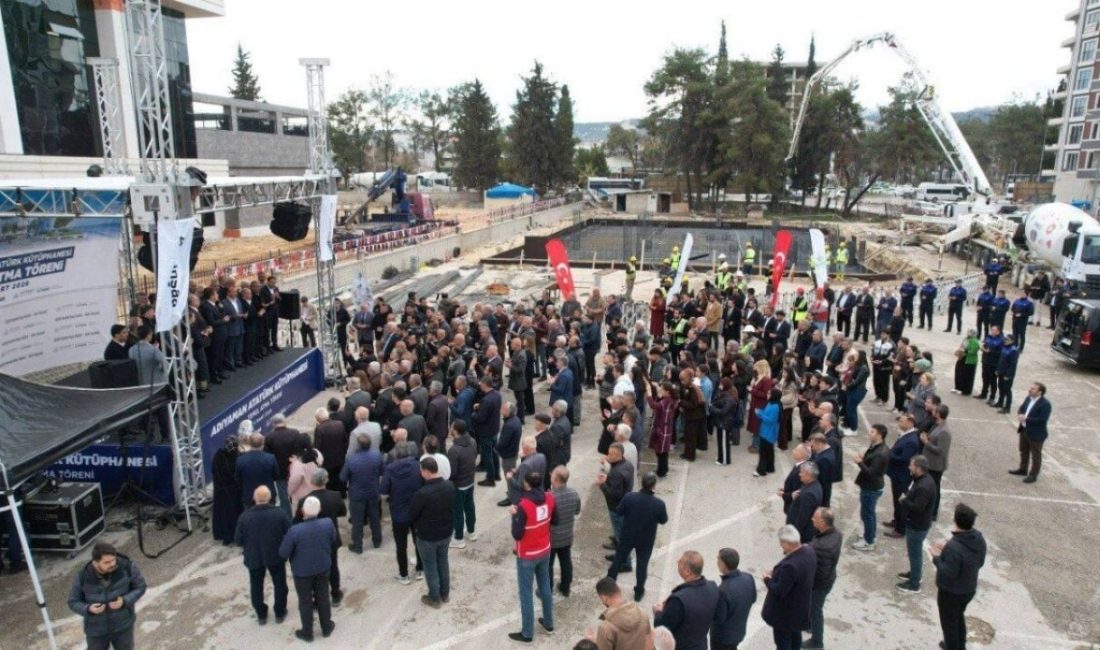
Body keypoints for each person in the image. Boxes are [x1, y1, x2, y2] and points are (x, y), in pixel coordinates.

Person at [67, 541, 147, 650]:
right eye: (107, 562)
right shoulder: (83, 576)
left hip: (123, 626)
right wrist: (89, 609)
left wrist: (124, 601)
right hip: (96, 630)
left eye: (113, 559)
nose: (112, 564)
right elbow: (73, 601)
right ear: (95, 563)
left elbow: (140, 587)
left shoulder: (126, 566)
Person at [508, 472, 557, 643]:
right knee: (545, 586)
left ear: (527, 484)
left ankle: (527, 632)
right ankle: (549, 623)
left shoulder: (523, 505)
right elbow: (555, 520)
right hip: (544, 549)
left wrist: (514, 515)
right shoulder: (550, 498)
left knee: (526, 593)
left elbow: (517, 534)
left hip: (527, 554)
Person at [279, 496, 337, 641]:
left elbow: (283, 553)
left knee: (305, 601)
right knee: (323, 597)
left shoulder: (295, 530)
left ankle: (307, 632)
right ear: (320, 510)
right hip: (323, 567)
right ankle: (326, 627)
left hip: (302, 572)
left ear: (303, 511)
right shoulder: (328, 523)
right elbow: (333, 540)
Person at [932, 503, 987, 650]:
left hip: (951, 593)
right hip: (968, 588)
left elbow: (948, 572)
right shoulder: (978, 539)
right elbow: (979, 562)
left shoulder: (954, 546)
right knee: (958, 618)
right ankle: (959, 645)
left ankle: (953, 645)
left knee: (949, 625)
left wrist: (937, 557)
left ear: (956, 521)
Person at [235, 486, 292, 625]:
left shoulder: (245, 516)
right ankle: (280, 611)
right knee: (280, 584)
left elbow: (238, 540)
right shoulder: (279, 513)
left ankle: (261, 614)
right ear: (270, 497)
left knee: (256, 585)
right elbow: (289, 532)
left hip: (254, 555)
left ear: (254, 498)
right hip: (275, 554)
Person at [607, 472, 667, 601]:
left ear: (642, 483)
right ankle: (638, 592)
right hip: (646, 539)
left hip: (628, 535)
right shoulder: (659, 504)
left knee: (618, 559)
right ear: (654, 485)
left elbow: (619, 512)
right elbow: (663, 520)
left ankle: (609, 584)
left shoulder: (629, 497)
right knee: (642, 565)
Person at [409, 456, 456, 608]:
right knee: (443, 561)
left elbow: (412, 515)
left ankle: (434, 597)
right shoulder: (449, 485)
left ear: (427, 472)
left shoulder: (422, 493)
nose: (421, 473)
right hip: (446, 532)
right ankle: (445, 593)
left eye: (422, 470)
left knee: (430, 566)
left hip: (427, 537)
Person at [761, 525, 816, 650]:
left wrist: (767, 579)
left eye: (781, 543)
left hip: (785, 614)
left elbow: (779, 590)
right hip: (800, 609)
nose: (781, 545)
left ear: (787, 542)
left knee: (783, 642)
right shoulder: (809, 551)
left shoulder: (791, 566)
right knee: (796, 637)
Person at [652, 551, 720, 650]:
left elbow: (662, 626)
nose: (677, 561)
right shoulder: (712, 586)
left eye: (681, 561)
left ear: (688, 571)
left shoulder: (679, 600)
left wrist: (657, 611)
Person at [381, 441, 424, 584]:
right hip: (416, 511)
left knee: (401, 546)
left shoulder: (390, 469)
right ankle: (420, 569)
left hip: (399, 513)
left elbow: (384, 489)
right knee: (418, 541)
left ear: (396, 455)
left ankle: (404, 574)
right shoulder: (418, 465)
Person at [896, 455, 937, 593]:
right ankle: (915, 574)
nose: (909, 467)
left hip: (917, 525)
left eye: (911, 465)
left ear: (918, 468)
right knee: (914, 553)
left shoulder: (924, 486)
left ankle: (914, 584)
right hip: (916, 524)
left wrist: (904, 500)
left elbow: (918, 508)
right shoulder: (923, 479)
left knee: (915, 554)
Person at [340, 432, 384, 552]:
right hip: (373, 492)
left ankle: (358, 545)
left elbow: (343, 477)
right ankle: (377, 541)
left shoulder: (351, 460)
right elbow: (382, 471)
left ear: (358, 445)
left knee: (357, 521)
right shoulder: (377, 456)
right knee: (374, 517)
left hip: (357, 495)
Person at [807, 508, 842, 650]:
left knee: (816, 610)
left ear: (822, 522)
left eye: (814, 518)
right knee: (813, 608)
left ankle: (817, 642)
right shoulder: (836, 533)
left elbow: (819, 574)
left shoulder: (821, 547)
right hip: (829, 577)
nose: (812, 520)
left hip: (819, 585)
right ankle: (809, 625)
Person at [711, 547, 756, 650]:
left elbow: (719, 618)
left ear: (723, 565)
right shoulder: (748, 577)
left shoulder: (723, 590)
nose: (717, 562)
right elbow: (753, 599)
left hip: (723, 639)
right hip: (738, 632)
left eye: (718, 559)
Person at [852, 423, 889, 551]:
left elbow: (871, 473)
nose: (869, 433)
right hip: (869, 486)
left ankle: (869, 541)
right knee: (867, 513)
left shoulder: (880, 453)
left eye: (872, 432)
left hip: (871, 488)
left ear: (879, 435)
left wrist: (859, 462)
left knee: (868, 514)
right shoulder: (876, 446)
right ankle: (869, 535)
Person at [884, 414, 921, 538]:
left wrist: (889, 454)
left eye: (902, 421)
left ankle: (900, 528)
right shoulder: (906, 435)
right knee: (896, 499)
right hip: (896, 474)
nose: (899, 423)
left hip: (902, 476)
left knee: (900, 502)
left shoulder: (911, 440)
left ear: (910, 422)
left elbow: (905, 459)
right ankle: (897, 521)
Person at [589, 577, 652, 650]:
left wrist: (595, 642)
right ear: (619, 590)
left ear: (604, 598)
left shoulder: (605, 629)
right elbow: (649, 646)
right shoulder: (643, 614)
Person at [1010, 382, 1051, 484]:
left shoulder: (1045, 404)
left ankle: (1033, 474)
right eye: (1030, 388)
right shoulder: (1028, 398)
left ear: (1039, 392)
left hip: (1036, 434)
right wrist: (1020, 414)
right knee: (1023, 450)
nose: (1030, 390)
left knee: (1035, 455)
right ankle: (1023, 469)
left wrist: (1026, 419)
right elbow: (1022, 407)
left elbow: (1042, 420)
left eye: (1033, 389)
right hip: (1024, 430)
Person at [550, 466, 581, 597]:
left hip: (551, 538)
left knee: (548, 565)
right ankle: (565, 587)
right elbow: (577, 511)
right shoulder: (574, 494)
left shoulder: (549, 496)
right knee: (566, 561)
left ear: (555, 479)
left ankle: (547, 588)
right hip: (567, 536)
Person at [598, 443, 635, 554]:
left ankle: (622, 559)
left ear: (616, 455)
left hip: (616, 507)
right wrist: (608, 462)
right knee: (620, 527)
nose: (607, 456)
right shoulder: (627, 464)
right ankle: (617, 540)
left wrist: (602, 484)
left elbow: (614, 495)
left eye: (609, 454)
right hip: (626, 502)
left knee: (619, 529)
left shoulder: (616, 473)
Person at [447, 420, 479, 548]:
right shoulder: (472, 441)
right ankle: (471, 532)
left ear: (455, 431)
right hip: (470, 481)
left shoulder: (454, 450)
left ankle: (458, 538)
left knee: (457, 512)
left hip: (458, 485)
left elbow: (452, 472)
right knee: (470, 507)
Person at [921, 404, 952, 519]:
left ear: (938, 414)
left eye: (935, 411)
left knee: (934, 489)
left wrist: (926, 442)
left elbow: (940, 451)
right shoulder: (937, 425)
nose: (932, 412)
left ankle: (933, 512)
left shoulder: (944, 432)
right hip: (930, 462)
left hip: (936, 465)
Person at [212, 433, 243, 545]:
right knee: (236, 513)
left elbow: (215, 473)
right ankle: (237, 536)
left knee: (224, 515)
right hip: (234, 492)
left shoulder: (217, 456)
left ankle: (226, 537)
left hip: (221, 491)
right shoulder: (237, 458)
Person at [471, 377, 503, 484]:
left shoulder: (486, 399)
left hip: (486, 431)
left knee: (487, 454)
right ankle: (497, 474)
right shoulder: (497, 395)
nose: (479, 385)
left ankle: (490, 478)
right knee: (494, 452)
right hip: (494, 428)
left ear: (485, 384)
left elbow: (480, 417)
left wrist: (474, 413)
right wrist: (481, 406)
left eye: (481, 383)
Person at [236, 432, 278, 508]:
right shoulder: (271, 458)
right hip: (268, 495)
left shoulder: (240, 460)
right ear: (263, 443)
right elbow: (276, 475)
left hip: (249, 496)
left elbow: (238, 479)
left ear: (249, 443)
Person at [786, 461, 823, 543]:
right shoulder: (814, 484)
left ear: (808, 475)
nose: (799, 474)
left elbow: (802, 518)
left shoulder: (809, 494)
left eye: (801, 472)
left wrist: (794, 535)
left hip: (802, 534)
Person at [753, 388, 781, 477]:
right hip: (765, 429)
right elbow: (766, 413)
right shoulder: (770, 403)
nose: (767, 395)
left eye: (769, 394)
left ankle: (761, 470)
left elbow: (770, 420)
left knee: (763, 451)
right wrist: (761, 412)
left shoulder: (776, 406)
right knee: (769, 450)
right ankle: (770, 467)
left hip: (769, 431)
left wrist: (759, 414)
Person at [993, 334, 1019, 414]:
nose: (1005, 341)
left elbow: (1013, 365)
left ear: (1012, 341)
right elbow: (1001, 360)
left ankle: (1007, 407)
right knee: (1000, 387)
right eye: (1005, 339)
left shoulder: (1013, 350)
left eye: (1007, 340)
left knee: (1007, 390)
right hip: (1001, 372)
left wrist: (1008, 375)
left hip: (1007, 374)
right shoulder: (1004, 347)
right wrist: (997, 370)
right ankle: (1000, 402)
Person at [952, 329, 980, 396]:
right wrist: (959, 351)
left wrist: (964, 352)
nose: (967, 333)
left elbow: (973, 351)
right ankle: (958, 387)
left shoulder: (975, 341)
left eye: (969, 332)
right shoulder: (966, 339)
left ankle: (966, 390)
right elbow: (961, 346)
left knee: (967, 375)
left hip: (969, 360)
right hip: (962, 357)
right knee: (958, 372)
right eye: (968, 332)